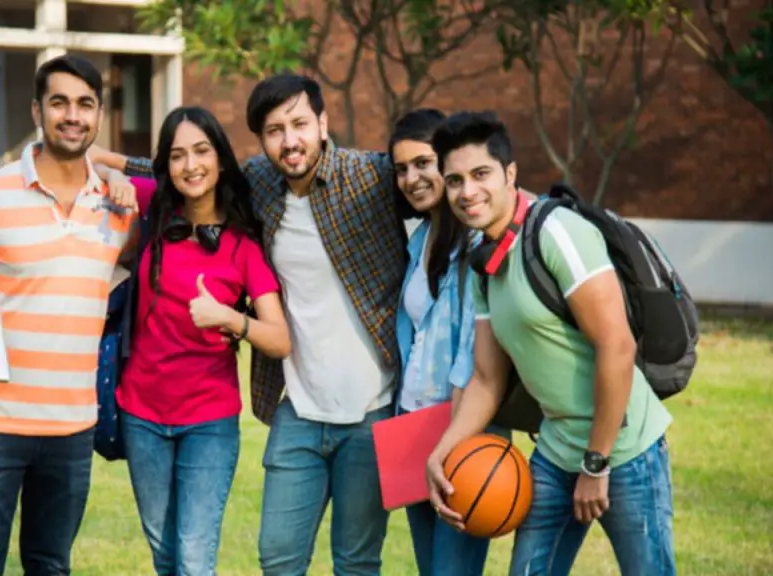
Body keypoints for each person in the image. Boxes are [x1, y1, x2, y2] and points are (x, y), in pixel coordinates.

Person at [91, 73, 409, 575]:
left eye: (300, 124)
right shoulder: (259, 184)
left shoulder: (368, 177)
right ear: (260, 140)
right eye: (275, 129)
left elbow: (434, 176)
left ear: (323, 124)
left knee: (356, 560)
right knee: (275, 558)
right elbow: (177, 169)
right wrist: (110, 171)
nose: (290, 140)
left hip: (374, 407)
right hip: (296, 407)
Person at [424, 111, 676, 576]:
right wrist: (442, 451)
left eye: (481, 174)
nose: (467, 191)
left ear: (510, 174)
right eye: (454, 180)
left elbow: (616, 346)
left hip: (624, 450)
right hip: (556, 451)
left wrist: (596, 465)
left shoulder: (558, 233)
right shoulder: (486, 260)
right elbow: (485, 378)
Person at [0, 54, 139, 575]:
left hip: (72, 429)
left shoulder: (118, 206)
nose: (73, 115)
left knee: (51, 565)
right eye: (60, 102)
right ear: (37, 110)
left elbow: (185, 177)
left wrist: (119, 173)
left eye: (85, 104)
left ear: (99, 115)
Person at [116, 105, 291, 575]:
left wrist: (231, 319)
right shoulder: (153, 211)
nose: (190, 166)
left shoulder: (243, 247)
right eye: (177, 156)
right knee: (165, 555)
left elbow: (279, 338)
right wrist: (109, 170)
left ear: (219, 159)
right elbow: (87, 161)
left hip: (208, 423)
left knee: (194, 559)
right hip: (141, 415)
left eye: (201, 151)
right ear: (166, 166)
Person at [389, 108, 508, 575]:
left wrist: (452, 438)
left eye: (422, 163)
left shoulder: (480, 244)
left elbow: (476, 358)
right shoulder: (419, 240)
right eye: (401, 169)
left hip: (464, 430)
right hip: (412, 427)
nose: (411, 178)